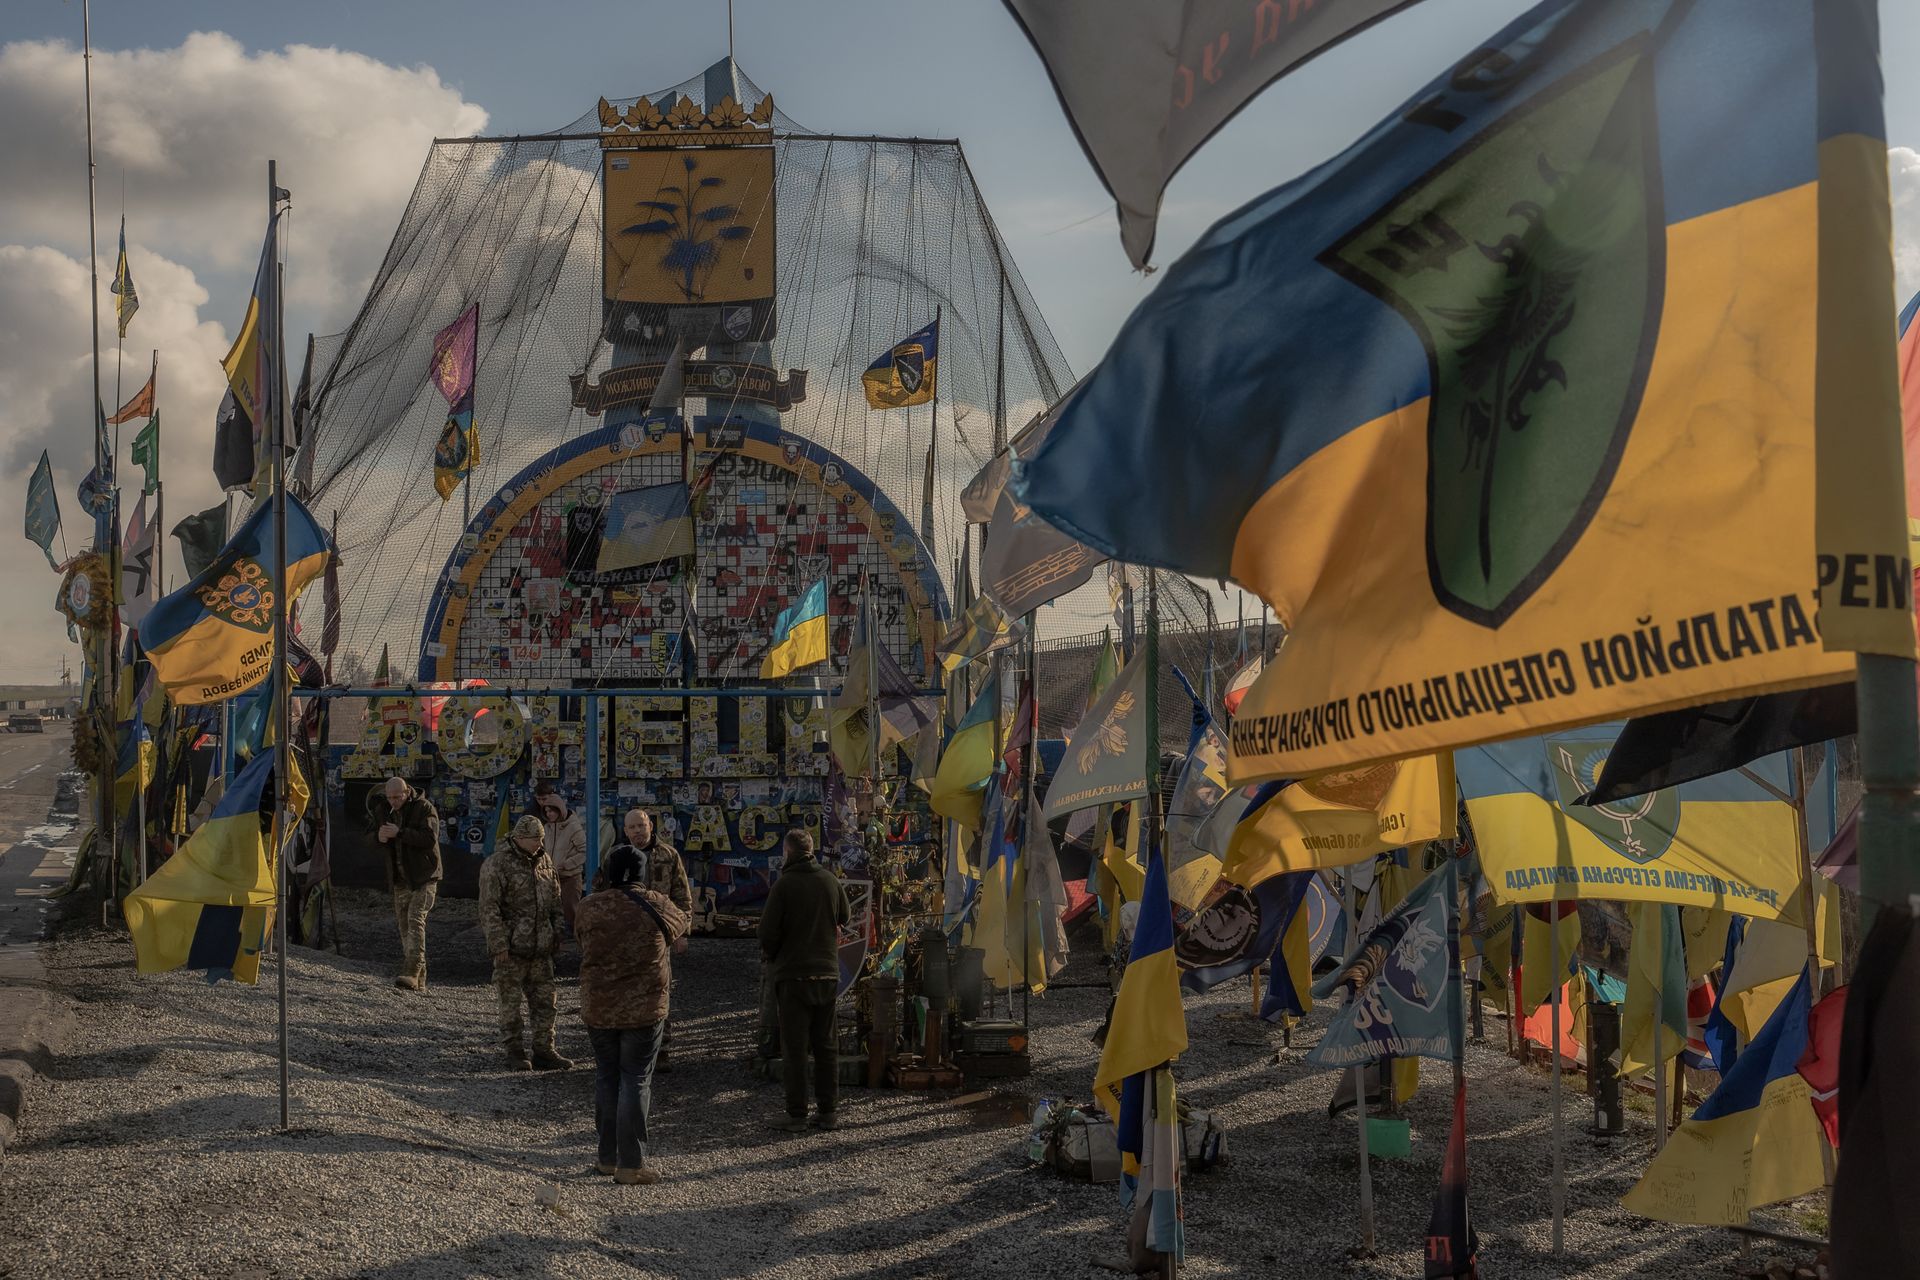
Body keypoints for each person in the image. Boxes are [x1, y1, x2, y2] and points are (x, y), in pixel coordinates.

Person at [575, 843, 690, 1185]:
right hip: (645, 1008)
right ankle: (631, 1163)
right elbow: (681, 924)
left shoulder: (589, 907)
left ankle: (607, 1157)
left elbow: (581, 940)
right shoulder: (658, 904)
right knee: (636, 1079)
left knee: (606, 1076)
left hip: (599, 1007)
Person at [758, 830, 849, 1133]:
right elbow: (845, 917)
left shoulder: (783, 886)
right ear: (811, 850)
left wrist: (773, 956)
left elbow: (767, 933)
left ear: (787, 852)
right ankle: (828, 1111)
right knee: (826, 1045)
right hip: (827, 972)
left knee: (795, 1048)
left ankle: (796, 1113)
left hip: (793, 974)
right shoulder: (830, 881)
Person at [478, 815, 573, 1072]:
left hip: (541, 949)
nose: (540, 843)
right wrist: (499, 945)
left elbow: (555, 901)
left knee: (546, 1003)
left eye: (542, 838)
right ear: (519, 838)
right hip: (512, 950)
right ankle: (515, 1051)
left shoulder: (544, 861)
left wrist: (557, 934)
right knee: (510, 1004)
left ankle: (544, 1050)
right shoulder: (497, 864)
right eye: (535, 839)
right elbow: (489, 908)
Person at [366, 775, 441, 991]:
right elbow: (367, 837)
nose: (393, 802)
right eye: (390, 797)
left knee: (415, 920)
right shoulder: (383, 810)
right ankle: (419, 981)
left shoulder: (424, 808)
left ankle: (411, 971)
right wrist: (377, 838)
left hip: (424, 876)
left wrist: (400, 833)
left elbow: (429, 838)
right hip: (400, 878)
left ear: (407, 792)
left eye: (397, 797)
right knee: (405, 927)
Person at [532, 780, 587, 929]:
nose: (549, 814)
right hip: (551, 875)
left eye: (552, 811)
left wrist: (567, 864)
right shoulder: (548, 827)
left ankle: (577, 934)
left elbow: (585, 850)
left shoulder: (573, 827)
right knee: (554, 909)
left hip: (570, 876)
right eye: (547, 811)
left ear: (559, 810)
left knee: (571, 909)